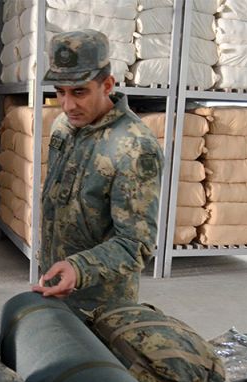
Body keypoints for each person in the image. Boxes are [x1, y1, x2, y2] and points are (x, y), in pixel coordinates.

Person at [32, 29, 163, 316]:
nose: (68, 105)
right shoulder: (63, 127)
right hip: (56, 286)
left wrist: (79, 269)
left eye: (79, 92)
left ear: (107, 85)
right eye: (60, 92)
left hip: (102, 305)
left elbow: (136, 243)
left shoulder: (134, 147)